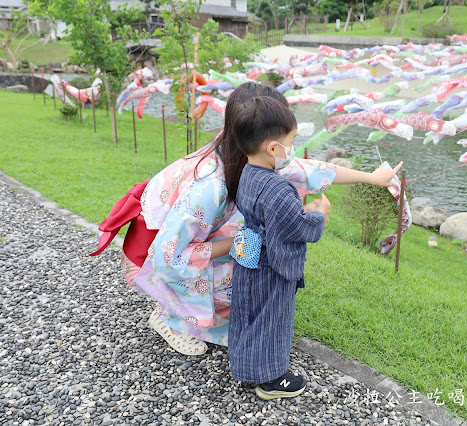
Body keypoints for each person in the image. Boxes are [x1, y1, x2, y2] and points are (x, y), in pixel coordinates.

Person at [92, 81, 402, 356]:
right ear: (267, 139)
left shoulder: (249, 149)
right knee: (252, 263)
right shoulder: (209, 184)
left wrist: (372, 177)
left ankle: (215, 307)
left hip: (188, 239)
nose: (288, 148)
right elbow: (168, 255)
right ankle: (174, 318)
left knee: (256, 255)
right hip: (154, 257)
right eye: (286, 138)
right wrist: (239, 242)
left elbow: (308, 169)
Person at [227, 96, 331, 400]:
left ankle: (244, 362)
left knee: (248, 310)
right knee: (272, 317)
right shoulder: (276, 186)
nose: (292, 148)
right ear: (273, 148)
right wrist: (317, 215)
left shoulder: (249, 172)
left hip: (249, 253)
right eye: (292, 142)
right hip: (270, 264)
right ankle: (272, 379)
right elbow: (293, 228)